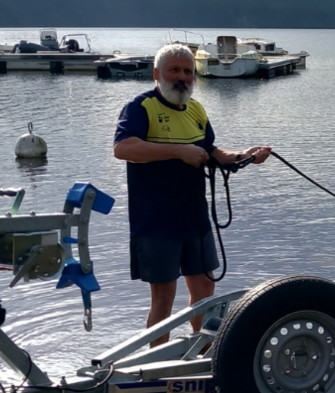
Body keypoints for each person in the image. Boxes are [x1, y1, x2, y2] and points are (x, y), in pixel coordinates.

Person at [113, 43, 271, 346]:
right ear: (157, 74)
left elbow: (212, 152)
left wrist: (244, 155)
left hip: (195, 219)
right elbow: (123, 148)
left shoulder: (196, 109)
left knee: (204, 292)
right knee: (164, 299)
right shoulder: (141, 107)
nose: (182, 77)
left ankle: (200, 354)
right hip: (156, 222)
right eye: (174, 70)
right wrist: (178, 152)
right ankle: (156, 370)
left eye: (188, 71)